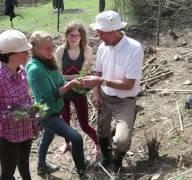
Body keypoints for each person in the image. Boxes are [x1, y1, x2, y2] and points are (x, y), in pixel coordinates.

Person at [83, 10, 144, 172]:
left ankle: (117, 161)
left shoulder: (134, 48)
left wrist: (101, 82)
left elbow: (129, 84)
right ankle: (106, 157)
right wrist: (96, 93)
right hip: (105, 96)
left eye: (102, 33)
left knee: (122, 139)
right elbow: (98, 72)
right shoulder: (103, 46)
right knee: (102, 130)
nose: (99, 37)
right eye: (98, 33)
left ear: (116, 31)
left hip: (125, 101)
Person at [27, 31, 88, 179]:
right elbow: (50, 96)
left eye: (52, 47)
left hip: (54, 110)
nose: (52, 51)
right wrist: (71, 85)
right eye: (47, 48)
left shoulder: (48, 62)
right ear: (36, 50)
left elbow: (61, 83)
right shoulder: (36, 70)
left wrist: (82, 85)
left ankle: (41, 166)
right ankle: (81, 172)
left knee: (47, 138)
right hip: (47, 113)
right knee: (76, 138)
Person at [0, 29, 39, 180]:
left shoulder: (22, 72)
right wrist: (10, 114)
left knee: (25, 167)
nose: (28, 54)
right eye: (24, 51)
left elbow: (27, 100)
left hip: (25, 132)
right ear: (10, 55)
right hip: (8, 137)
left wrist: (34, 120)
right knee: (7, 173)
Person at [55, 21, 100, 156]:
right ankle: (67, 143)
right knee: (65, 120)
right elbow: (58, 74)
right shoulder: (60, 50)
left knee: (84, 124)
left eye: (77, 35)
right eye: (71, 34)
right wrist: (73, 79)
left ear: (82, 37)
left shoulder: (87, 50)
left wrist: (70, 78)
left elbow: (84, 74)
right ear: (66, 35)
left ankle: (98, 144)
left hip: (79, 91)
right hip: (64, 91)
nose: (74, 38)